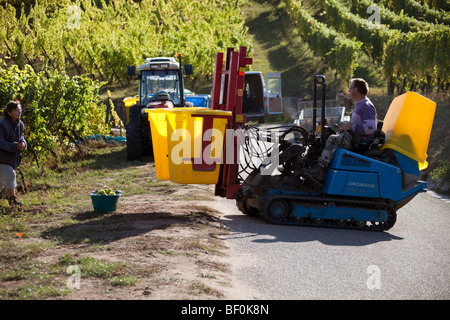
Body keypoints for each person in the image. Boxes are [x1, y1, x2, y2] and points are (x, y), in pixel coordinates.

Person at [301, 78, 378, 184]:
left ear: (356, 89)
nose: (349, 91)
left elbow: (371, 127)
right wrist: (347, 127)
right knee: (323, 137)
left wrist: (351, 126)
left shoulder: (366, 105)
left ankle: (320, 169)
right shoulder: (361, 104)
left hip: (360, 140)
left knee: (332, 139)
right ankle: (306, 164)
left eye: (351, 88)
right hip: (355, 137)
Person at [0, 100, 27, 206]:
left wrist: (23, 145)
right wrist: (15, 146)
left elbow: (22, 138)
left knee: (1, 181)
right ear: (9, 112)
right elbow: (0, 142)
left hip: (11, 158)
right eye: (16, 110)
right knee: (11, 175)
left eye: (20, 110)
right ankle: (12, 200)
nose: (19, 112)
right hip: (2, 157)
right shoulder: (2, 124)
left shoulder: (20, 124)